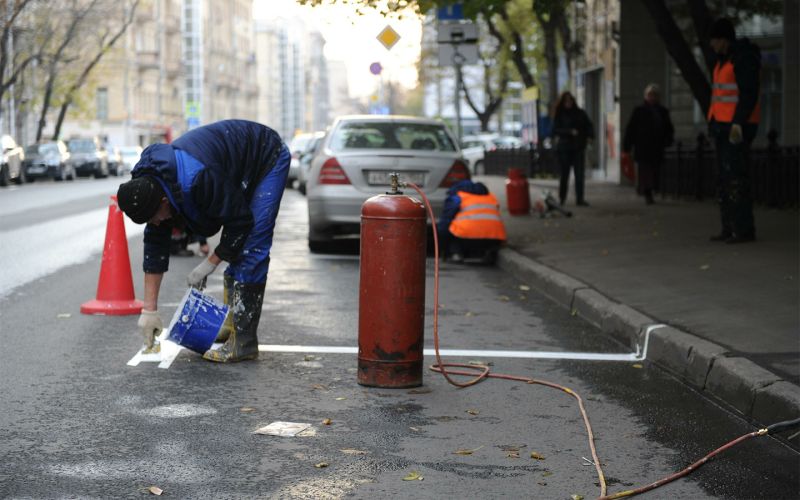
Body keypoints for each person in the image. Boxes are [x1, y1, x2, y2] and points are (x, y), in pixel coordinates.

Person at [116, 119, 290, 362]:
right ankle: (231, 324)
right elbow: (155, 245)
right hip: (229, 165)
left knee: (251, 247)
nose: (156, 223)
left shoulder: (198, 178)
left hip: (264, 155)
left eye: (155, 218)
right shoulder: (150, 186)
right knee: (238, 247)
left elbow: (239, 221)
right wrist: (149, 310)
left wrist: (210, 262)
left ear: (164, 202)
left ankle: (244, 342)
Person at [707, 17, 760, 244]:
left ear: (724, 39)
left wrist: (738, 122)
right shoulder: (722, 60)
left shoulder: (742, 58)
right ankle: (729, 227)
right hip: (722, 125)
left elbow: (748, 94)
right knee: (724, 178)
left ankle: (743, 229)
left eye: (715, 40)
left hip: (736, 126)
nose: (711, 44)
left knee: (736, 177)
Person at [622, 84, 675, 205]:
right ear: (646, 96)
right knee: (645, 171)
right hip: (643, 147)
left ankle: (651, 189)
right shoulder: (639, 111)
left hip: (657, 147)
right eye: (650, 95)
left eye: (654, 95)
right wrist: (627, 147)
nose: (652, 98)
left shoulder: (662, 111)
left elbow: (668, 128)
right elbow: (631, 129)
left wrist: (668, 140)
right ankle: (647, 192)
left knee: (655, 170)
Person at [437, 179, 506, 264]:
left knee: (449, 228)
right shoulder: (491, 197)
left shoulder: (458, 197)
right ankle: (488, 252)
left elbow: (445, 222)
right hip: (494, 238)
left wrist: (443, 245)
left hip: (466, 239)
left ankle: (456, 253)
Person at [552, 91, 594, 206]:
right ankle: (562, 197)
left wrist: (590, 136)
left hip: (578, 147)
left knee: (579, 174)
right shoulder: (560, 114)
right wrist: (569, 132)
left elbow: (589, 126)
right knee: (564, 174)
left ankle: (580, 198)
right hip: (565, 148)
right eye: (566, 101)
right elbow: (555, 130)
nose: (568, 103)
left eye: (570, 100)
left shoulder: (580, 113)